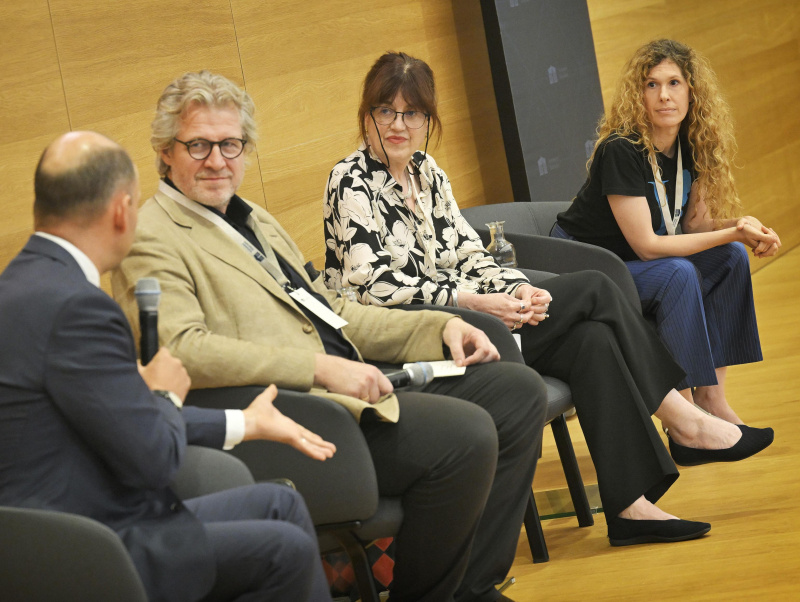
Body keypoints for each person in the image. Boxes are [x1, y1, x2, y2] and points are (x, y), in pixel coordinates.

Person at [111, 70, 545, 602]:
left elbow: (334, 310)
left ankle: (471, 586)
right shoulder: (149, 235)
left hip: (358, 386)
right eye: (199, 145)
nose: (217, 160)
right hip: (295, 416)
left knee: (518, 392)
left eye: (230, 144)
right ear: (164, 151)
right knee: (468, 435)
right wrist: (319, 368)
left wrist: (442, 324)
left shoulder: (255, 222)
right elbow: (180, 350)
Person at [322, 51, 774, 547]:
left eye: (412, 114)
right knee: (599, 288)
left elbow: (470, 252)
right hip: (421, 337)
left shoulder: (428, 173)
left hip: (480, 322)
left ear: (428, 120)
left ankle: (630, 509)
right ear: (366, 115)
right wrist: (476, 301)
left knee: (594, 340)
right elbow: (375, 287)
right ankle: (685, 421)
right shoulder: (350, 180)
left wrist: (513, 289)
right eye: (385, 111)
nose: (398, 125)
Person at [0, 131, 336, 602]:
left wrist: (246, 422)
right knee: (287, 552)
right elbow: (153, 459)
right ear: (121, 210)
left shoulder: (22, 285)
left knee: (279, 504)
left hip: (48, 530)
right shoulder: (78, 307)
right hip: (90, 543)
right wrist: (164, 393)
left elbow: (122, 417)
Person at [554, 39, 780, 425]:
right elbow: (647, 247)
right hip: (587, 267)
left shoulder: (692, 144)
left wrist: (741, 227)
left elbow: (693, 226)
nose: (663, 96)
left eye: (674, 83)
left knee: (731, 258)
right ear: (637, 94)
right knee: (679, 272)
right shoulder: (621, 149)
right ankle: (686, 419)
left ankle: (712, 398)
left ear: (692, 92)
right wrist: (731, 234)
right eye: (651, 84)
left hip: (633, 260)